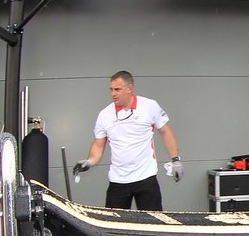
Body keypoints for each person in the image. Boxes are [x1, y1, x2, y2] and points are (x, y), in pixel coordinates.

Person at [73, 71, 181, 210]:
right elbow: (99, 145)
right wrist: (90, 161)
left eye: (117, 89)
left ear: (129, 88)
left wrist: (176, 160)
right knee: (113, 226)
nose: (113, 94)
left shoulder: (149, 106)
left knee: (153, 224)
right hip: (118, 180)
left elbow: (165, 132)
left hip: (146, 178)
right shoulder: (104, 115)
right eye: (111, 90)